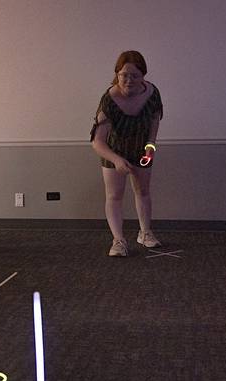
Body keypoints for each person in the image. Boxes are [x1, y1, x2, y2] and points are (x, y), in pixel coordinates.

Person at [90, 50, 164, 257]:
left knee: (143, 191)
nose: (129, 80)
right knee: (114, 195)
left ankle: (145, 233)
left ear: (143, 76)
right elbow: (97, 142)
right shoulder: (109, 100)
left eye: (135, 76)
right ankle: (118, 241)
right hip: (113, 151)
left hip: (141, 148)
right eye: (124, 75)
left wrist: (151, 147)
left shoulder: (152, 94)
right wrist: (117, 160)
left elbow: (154, 120)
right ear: (117, 74)